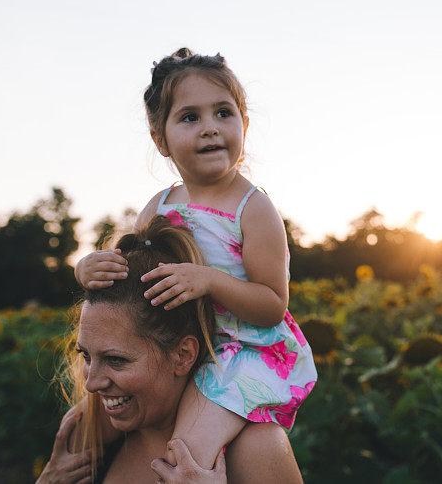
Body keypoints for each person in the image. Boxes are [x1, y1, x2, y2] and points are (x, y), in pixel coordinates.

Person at [74, 47, 317, 470]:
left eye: (224, 113)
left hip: (241, 354)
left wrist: (210, 281)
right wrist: (87, 268)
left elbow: (273, 304)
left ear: (245, 123)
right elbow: (134, 273)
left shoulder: (253, 209)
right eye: (190, 117)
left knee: (187, 451)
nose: (210, 128)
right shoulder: (160, 203)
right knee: (84, 434)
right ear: (160, 139)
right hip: (180, 347)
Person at [38, 215, 304, 483]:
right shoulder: (88, 442)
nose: (91, 384)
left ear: (183, 355)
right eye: (85, 355)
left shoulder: (256, 449)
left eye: (116, 360)